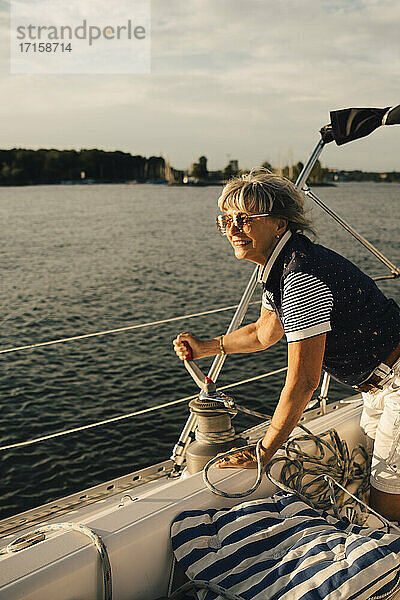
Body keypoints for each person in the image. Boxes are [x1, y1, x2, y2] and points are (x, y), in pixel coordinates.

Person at [173, 169, 400, 521]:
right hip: (378, 386)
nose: (231, 229)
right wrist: (207, 347)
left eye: (244, 220)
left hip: (395, 382)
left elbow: (303, 382)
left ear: (279, 224)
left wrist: (263, 451)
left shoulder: (299, 276)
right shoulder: (284, 263)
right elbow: (265, 332)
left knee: (388, 498)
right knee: (379, 475)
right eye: (226, 220)